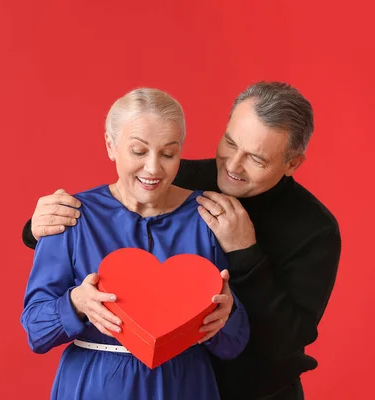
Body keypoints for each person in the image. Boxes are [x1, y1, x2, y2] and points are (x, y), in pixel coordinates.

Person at [21, 81, 341, 400]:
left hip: (254, 390)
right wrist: (37, 229)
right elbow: (99, 220)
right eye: (230, 143)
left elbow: (279, 339)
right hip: (104, 383)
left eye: (256, 159)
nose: (232, 166)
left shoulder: (313, 230)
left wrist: (244, 254)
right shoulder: (167, 178)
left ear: (292, 164)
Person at [20, 88, 250, 400]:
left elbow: (234, 344)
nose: (154, 169)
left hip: (186, 386)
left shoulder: (210, 218)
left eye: (168, 154)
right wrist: (76, 302)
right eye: (139, 152)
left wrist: (226, 315)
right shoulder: (70, 216)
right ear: (110, 146)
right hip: (94, 386)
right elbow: (35, 330)